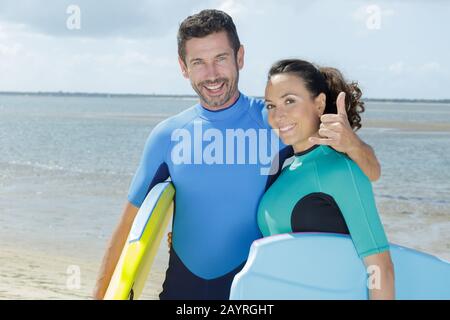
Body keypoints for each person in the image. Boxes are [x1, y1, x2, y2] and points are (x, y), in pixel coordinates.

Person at [93, 9, 381, 300]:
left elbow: (364, 173)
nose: (212, 73)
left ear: (239, 57)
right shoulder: (167, 136)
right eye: (199, 62)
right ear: (184, 67)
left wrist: (354, 145)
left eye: (220, 58)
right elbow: (131, 228)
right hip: (181, 292)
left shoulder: (277, 123)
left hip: (253, 293)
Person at [258, 59, 395, 299]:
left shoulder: (340, 170)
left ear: (319, 104)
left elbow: (380, 267)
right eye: (271, 105)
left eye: (289, 101)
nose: (278, 115)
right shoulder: (283, 165)